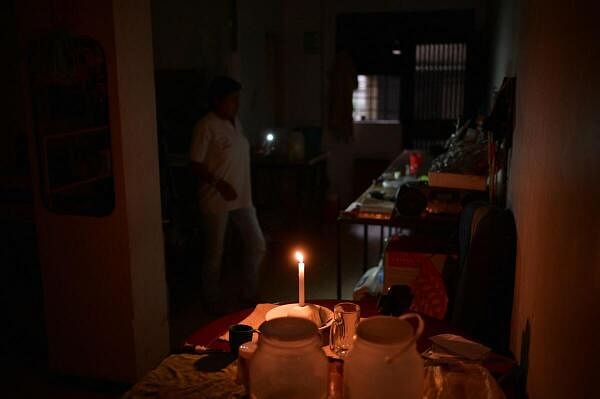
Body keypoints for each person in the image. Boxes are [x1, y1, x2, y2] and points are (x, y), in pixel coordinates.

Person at [190, 76, 265, 312]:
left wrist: (254, 151)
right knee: (215, 252)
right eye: (232, 100)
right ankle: (211, 300)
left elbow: (235, 152)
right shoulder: (206, 126)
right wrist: (218, 183)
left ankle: (249, 293)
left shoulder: (235, 122)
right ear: (217, 101)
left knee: (257, 244)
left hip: (242, 197)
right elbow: (194, 163)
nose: (236, 104)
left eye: (237, 100)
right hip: (216, 200)